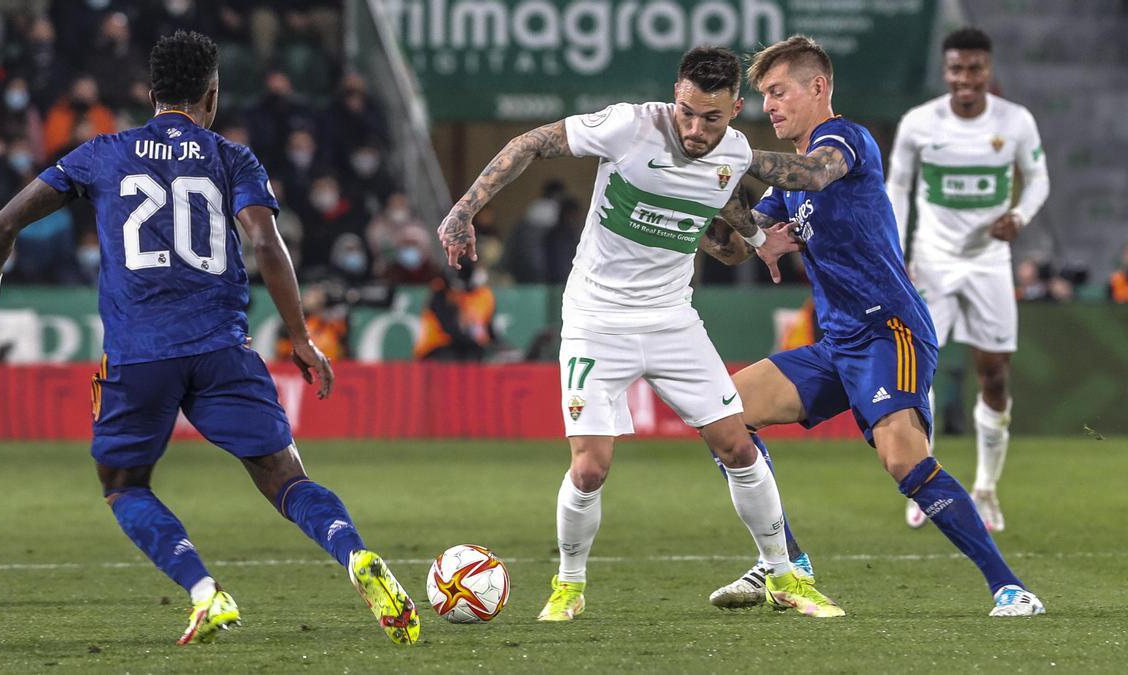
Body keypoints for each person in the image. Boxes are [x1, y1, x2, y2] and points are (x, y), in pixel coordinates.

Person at [0, 31, 418, 646]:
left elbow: (2, 222)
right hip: (221, 347)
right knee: (287, 478)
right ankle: (356, 554)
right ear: (212, 95)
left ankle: (206, 592)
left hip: (139, 354)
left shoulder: (100, 153)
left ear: (151, 95)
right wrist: (302, 337)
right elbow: (265, 245)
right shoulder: (233, 158)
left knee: (124, 486)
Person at [439, 46, 839, 621]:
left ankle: (784, 576)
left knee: (738, 447)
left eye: (712, 117)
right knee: (591, 466)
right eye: (687, 112)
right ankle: (568, 586)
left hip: (673, 317)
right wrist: (464, 210)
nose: (696, 129)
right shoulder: (628, 125)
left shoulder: (733, 153)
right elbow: (529, 142)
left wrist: (756, 239)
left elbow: (725, 211)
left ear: (735, 109)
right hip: (595, 319)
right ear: (675, 95)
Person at [706, 35, 1043, 617]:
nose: (770, 107)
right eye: (763, 96)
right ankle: (784, 564)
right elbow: (734, 249)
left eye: (778, 92)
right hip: (838, 343)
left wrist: (733, 156)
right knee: (724, 418)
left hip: (891, 331)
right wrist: (703, 196)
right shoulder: (788, 189)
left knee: (903, 460)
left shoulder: (845, 140)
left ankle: (1010, 588)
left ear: (818, 87)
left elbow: (813, 175)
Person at [886, 28, 1050, 531]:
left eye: (975, 68)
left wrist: (1019, 217)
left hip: (989, 262)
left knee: (995, 374)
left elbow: (1039, 179)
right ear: (946, 71)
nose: (965, 79)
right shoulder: (919, 123)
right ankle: (924, 485)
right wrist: (897, 254)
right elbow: (898, 187)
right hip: (932, 261)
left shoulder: (1015, 121)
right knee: (920, 374)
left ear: (988, 71)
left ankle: (986, 489)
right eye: (957, 69)